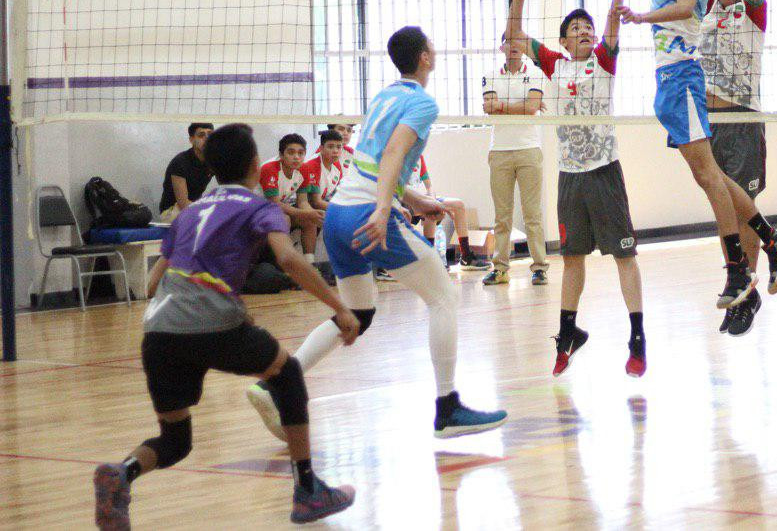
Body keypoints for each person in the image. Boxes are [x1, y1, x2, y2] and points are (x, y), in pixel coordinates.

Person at [93, 124, 359, 529]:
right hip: (211, 322)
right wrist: (340, 307)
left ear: (213, 168)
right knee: (287, 373)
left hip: (159, 331)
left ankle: (122, 473)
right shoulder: (259, 206)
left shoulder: (191, 212)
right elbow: (289, 261)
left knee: (175, 440)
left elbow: (152, 282)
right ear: (256, 164)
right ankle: (308, 489)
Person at [247, 26, 506, 440]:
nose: (435, 52)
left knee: (357, 314)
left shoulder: (384, 96)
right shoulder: (422, 104)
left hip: (338, 218)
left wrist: (414, 199)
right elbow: (392, 154)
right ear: (424, 57)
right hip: (368, 214)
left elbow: (374, 163)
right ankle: (447, 408)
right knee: (444, 296)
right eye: (433, 47)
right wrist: (386, 207)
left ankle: (275, 383)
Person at [619, 0, 777, 319]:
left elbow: (682, 7)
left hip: (706, 94)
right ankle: (766, 247)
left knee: (716, 183)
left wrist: (641, 16)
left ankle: (744, 271)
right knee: (709, 179)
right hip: (678, 88)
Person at [506, 0, 646, 377]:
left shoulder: (604, 61)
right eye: (577, 29)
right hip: (570, 178)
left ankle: (637, 337)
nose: (586, 31)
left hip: (604, 173)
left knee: (624, 257)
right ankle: (568, 333)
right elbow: (514, 36)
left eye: (589, 27)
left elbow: (611, 24)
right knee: (572, 260)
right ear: (564, 41)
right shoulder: (555, 66)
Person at [698, 0, 770, 336]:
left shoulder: (752, 12)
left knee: (746, 208)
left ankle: (749, 292)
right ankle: (740, 283)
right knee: (724, 208)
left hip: (742, 118)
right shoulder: (706, 8)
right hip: (708, 123)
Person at [481, 35, 548, 286]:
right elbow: (489, 107)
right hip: (499, 151)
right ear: (502, 47)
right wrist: (515, 106)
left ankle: (540, 267)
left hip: (529, 149)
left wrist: (500, 105)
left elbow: (532, 107)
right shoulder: (490, 74)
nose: (515, 47)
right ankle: (500, 268)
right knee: (502, 216)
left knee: (533, 214)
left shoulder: (536, 73)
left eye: (518, 42)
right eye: (509, 42)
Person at [406, 155, 487, 270]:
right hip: (406, 200)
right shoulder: (397, 153)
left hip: (423, 198)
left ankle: (466, 257)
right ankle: (424, 261)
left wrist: (432, 199)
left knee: (458, 205)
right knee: (429, 209)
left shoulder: (419, 156)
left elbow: (429, 186)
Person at [260, 134, 325, 271]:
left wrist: (313, 214)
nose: (296, 157)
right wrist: (306, 213)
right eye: (291, 152)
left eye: (301, 153)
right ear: (281, 155)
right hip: (255, 212)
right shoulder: (269, 168)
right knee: (284, 219)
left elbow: (302, 202)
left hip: (277, 209)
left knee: (310, 219)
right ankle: (284, 267)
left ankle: (310, 266)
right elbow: (275, 204)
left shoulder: (304, 169)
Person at [158, 123, 214, 223]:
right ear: (191, 140)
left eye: (210, 134)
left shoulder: (213, 160)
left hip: (193, 207)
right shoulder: (180, 162)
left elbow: (229, 185)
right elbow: (183, 204)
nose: (206, 138)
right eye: (201, 135)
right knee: (209, 221)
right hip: (172, 211)